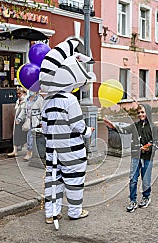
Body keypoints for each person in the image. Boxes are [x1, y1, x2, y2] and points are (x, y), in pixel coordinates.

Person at [39, 39, 96, 225]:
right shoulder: (70, 100)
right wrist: (88, 131)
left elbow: (45, 127)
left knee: (53, 180)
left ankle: (51, 214)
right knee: (74, 179)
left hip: (52, 148)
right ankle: (74, 211)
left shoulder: (46, 102)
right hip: (71, 148)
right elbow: (78, 126)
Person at [103, 104, 158, 213]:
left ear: (147, 113)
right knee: (133, 179)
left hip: (147, 158)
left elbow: (157, 143)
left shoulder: (153, 128)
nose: (140, 115)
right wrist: (113, 127)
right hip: (135, 156)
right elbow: (124, 130)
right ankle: (132, 200)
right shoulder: (135, 126)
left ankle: (146, 197)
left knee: (146, 180)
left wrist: (148, 148)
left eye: (143, 112)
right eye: (139, 113)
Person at [23, 90, 43, 161]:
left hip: (36, 121)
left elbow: (42, 110)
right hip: (29, 121)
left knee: (31, 136)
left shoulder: (39, 99)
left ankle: (30, 153)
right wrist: (19, 118)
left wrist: (41, 121)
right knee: (29, 136)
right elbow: (24, 110)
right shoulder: (27, 99)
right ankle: (31, 152)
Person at [7, 87, 27, 157]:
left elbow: (24, 112)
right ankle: (15, 150)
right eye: (17, 93)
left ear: (24, 93)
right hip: (18, 121)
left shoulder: (26, 101)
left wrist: (19, 119)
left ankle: (27, 151)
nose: (18, 95)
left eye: (19, 93)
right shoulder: (18, 101)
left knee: (25, 136)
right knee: (16, 135)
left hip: (24, 121)